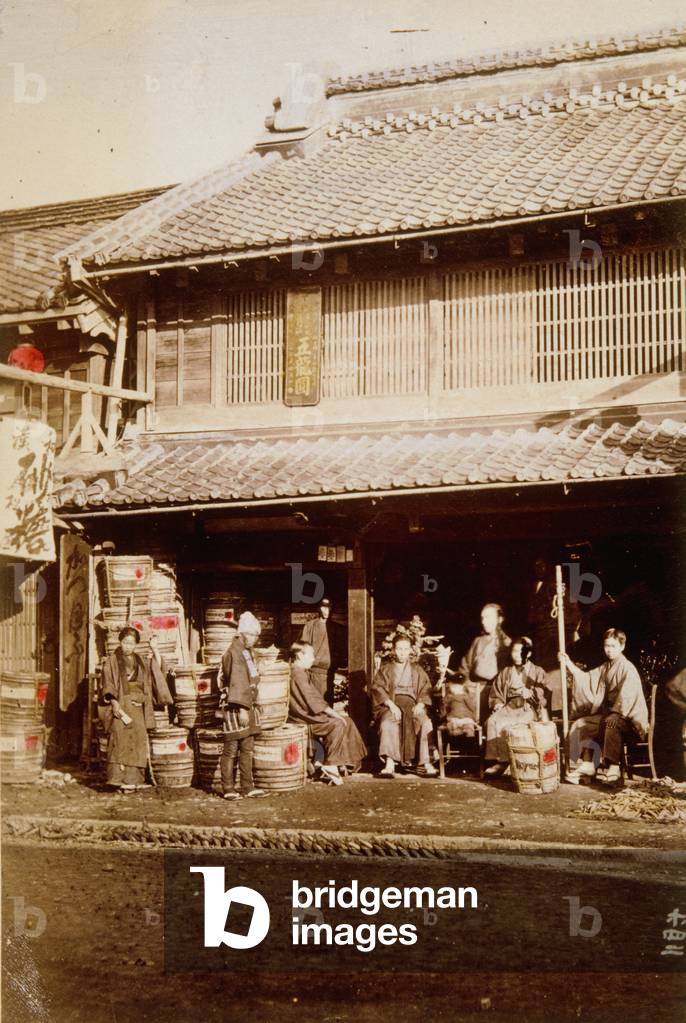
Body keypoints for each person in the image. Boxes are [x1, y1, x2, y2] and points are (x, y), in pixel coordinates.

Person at [561, 628, 648, 785]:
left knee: (611, 724)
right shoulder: (605, 667)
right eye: (606, 645)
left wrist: (617, 713)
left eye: (613, 646)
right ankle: (588, 764)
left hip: (628, 717)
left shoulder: (627, 668)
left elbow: (628, 695)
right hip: (609, 714)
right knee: (582, 724)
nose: (609, 650)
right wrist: (568, 664)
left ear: (622, 647)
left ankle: (614, 768)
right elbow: (587, 679)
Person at [99, 627, 173, 791]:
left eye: (131, 644)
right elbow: (108, 682)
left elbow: (156, 672)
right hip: (121, 706)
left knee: (138, 740)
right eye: (125, 642)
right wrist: (114, 703)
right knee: (118, 740)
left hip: (138, 708)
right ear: (120, 641)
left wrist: (155, 649)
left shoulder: (140, 660)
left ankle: (133, 780)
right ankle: (116, 779)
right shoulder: (112, 660)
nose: (127, 647)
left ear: (136, 645)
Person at [288, 641, 366, 784]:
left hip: (309, 714)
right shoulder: (298, 674)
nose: (313, 658)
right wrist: (334, 714)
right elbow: (313, 701)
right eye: (311, 654)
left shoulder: (300, 673)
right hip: (303, 718)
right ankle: (331, 764)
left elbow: (313, 699)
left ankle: (347, 762)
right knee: (338, 723)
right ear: (299, 655)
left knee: (347, 721)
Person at [370, 634, 437, 778]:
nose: (402, 652)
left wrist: (421, 703)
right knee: (387, 723)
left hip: (413, 704)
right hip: (391, 704)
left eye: (405, 649)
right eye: (399, 649)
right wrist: (390, 705)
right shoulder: (386, 669)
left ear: (410, 651)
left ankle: (425, 762)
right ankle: (389, 762)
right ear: (393, 650)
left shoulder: (417, 669)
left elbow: (426, 688)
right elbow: (377, 688)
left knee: (425, 722)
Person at [483, 637, 550, 777]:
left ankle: (509, 762)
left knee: (510, 725)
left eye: (521, 651)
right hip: (509, 706)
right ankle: (500, 761)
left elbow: (544, 694)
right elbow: (496, 692)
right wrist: (498, 703)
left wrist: (531, 693)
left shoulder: (538, 671)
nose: (517, 655)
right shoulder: (506, 672)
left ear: (529, 653)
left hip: (528, 708)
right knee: (493, 721)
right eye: (514, 651)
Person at [218, 611, 266, 800]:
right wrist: (243, 709)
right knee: (231, 749)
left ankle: (247, 786)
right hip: (237, 707)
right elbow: (237, 682)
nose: (255, 639)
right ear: (243, 633)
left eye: (256, 635)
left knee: (247, 747)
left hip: (247, 704)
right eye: (253, 635)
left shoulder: (246, 652)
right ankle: (228, 788)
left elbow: (251, 678)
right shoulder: (235, 652)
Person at [459, 603, 512, 720]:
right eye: (482, 618)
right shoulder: (478, 641)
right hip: (472, 688)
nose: (483, 622)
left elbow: (507, 676)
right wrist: (464, 683)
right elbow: (465, 666)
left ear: (499, 619)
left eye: (488, 617)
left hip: (493, 692)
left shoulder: (507, 644)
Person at [300, 597, 340, 700]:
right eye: (324, 607)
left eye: (329, 608)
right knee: (315, 703)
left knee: (327, 703)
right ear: (319, 608)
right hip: (313, 672)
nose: (326, 611)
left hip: (329, 672)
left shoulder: (335, 628)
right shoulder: (310, 626)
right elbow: (304, 647)